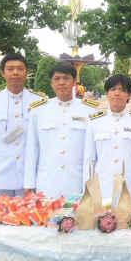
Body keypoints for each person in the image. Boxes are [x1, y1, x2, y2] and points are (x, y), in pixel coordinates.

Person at [0, 53, 46, 203]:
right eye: (10, 69)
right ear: (2, 73)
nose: (15, 73)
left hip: (29, 177)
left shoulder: (40, 101)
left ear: (27, 72)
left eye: (20, 68)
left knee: (28, 221)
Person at [23, 62, 99, 197]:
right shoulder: (39, 109)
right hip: (46, 181)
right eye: (57, 79)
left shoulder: (90, 110)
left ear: (75, 81)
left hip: (77, 180)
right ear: (51, 82)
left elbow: (94, 150)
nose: (61, 82)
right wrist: (29, 183)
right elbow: (31, 148)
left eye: (66, 78)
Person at [83, 75, 131, 204]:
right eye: (113, 89)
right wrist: (88, 190)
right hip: (102, 186)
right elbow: (89, 159)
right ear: (107, 93)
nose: (117, 93)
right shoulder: (95, 120)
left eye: (122, 90)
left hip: (130, 186)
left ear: (129, 94)